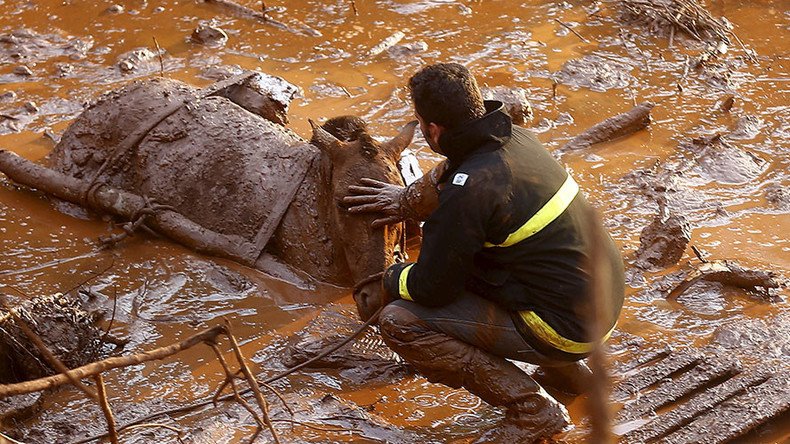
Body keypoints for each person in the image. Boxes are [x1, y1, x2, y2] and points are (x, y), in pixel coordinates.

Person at [343, 63, 625, 442]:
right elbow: (447, 173)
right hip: (600, 303)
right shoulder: (515, 140)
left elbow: (432, 288)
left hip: (565, 328)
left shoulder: (470, 190)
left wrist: (390, 277)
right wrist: (405, 200)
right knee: (506, 263)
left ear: (433, 129)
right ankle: (570, 375)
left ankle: (532, 409)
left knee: (401, 320)